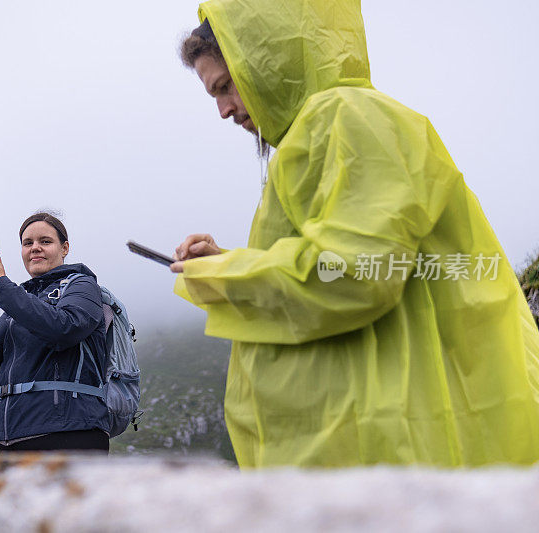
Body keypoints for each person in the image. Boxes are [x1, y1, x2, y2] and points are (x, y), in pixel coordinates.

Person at [171, 0, 539, 468]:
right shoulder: (318, 130)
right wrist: (228, 258)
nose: (224, 110)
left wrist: (226, 273)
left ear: (265, 62)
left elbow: (355, 271)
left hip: (387, 436)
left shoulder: (346, 117)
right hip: (374, 432)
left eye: (226, 87)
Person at [0, 212, 110, 452]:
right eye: (27, 243)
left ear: (64, 248)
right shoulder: (19, 299)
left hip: (71, 432)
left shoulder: (82, 286)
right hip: (12, 436)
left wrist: (1, 285)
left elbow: (63, 329)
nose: (35, 248)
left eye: (45, 241)